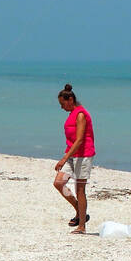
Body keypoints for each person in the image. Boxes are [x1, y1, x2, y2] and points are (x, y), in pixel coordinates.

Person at [54, 84, 96, 234]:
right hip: (72, 155)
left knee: (80, 190)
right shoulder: (72, 112)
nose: (61, 107)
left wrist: (63, 158)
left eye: (62, 103)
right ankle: (80, 211)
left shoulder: (80, 114)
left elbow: (79, 140)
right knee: (59, 183)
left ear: (70, 99)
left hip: (83, 156)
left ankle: (82, 226)